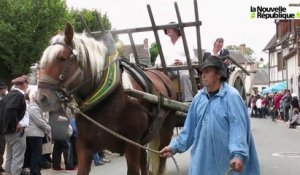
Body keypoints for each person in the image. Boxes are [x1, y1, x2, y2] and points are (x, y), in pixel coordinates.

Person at [159, 55, 260, 174]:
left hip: (226, 162)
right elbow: (189, 130)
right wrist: (174, 147)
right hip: (202, 162)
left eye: (207, 71)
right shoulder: (198, 99)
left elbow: (238, 129)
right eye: (202, 72)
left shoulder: (231, 97)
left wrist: (238, 155)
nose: (203, 75)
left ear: (218, 74)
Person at [155, 22, 194, 102]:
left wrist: (182, 62)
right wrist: (158, 64)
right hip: (168, 69)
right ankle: (164, 99)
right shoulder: (165, 44)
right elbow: (159, 59)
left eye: (170, 28)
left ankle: (188, 100)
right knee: (158, 78)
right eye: (167, 28)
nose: (167, 30)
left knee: (185, 76)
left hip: (182, 68)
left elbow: (192, 57)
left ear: (177, 30)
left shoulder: (185, 42)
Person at [1, 75, 29, 175]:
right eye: (27, 83)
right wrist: (16, 124)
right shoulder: (19, 95)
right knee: (18, 157)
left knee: (9, 156)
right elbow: (10, 110)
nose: (27, 85)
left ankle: (8, 173)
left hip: (8, 131)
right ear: (23, 84)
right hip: (16, 131)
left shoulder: (7, 96)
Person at [23, 88, 51, 175]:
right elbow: (40, 122)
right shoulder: (33, 108)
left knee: (37, 154)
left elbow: (43, 119)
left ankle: (36, 171)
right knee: (36, 154)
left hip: (36, 134)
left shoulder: (36, 107)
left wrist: (45, 122)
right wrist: (48, 128)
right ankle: (35, 172)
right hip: (35, 134)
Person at [0, 80, 7, 172]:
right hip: (0, 129)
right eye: (4, 88)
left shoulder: (4, 100)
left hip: (2, 129)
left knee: (2, 149)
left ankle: (0, 165)